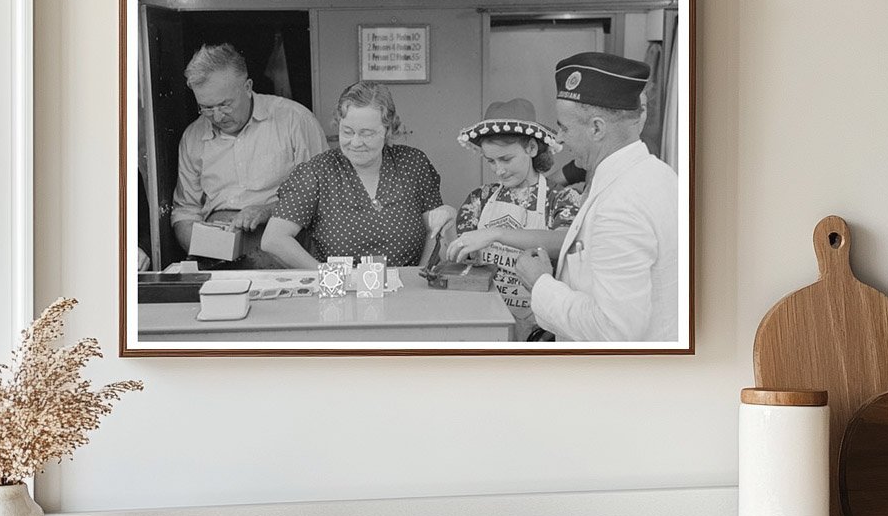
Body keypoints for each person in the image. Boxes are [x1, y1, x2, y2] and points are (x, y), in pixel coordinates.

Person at [515, 52, 678, 342]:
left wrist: (540, 284)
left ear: (597, 128)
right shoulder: (659, 175)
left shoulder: (620, 205)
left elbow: (614, 329)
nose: (559, 139)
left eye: (564, 127)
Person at [262, 81, 455, 267]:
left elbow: (435, 230)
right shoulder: (317, 173)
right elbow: (274, 239)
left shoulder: (412, 164)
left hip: (405, 284)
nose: (355, 143)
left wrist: (418, 275)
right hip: (339, 285)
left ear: (388, 130)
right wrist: (327, 276)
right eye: (347, 132)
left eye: (367, 133)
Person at [170, 43, 328, 266]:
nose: (217, 116)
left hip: (284, 243)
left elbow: (324, 195)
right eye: (206, 108)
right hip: (217, 251)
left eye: (225, 104)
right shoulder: (193, 136)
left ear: (247, 87)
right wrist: (202, 247)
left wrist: (267, 211)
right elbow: (186, 211)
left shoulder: (295, 120)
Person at [447, 99, 584, 337]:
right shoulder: (480, 198)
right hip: (484, 325)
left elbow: (563, 242)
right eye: (491, 161)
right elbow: (460, 261)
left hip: (539, 331)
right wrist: (447, 228)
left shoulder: (561, 199)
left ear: (531, 148)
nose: (498, 170)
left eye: (506, 159)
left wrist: (496, 234)